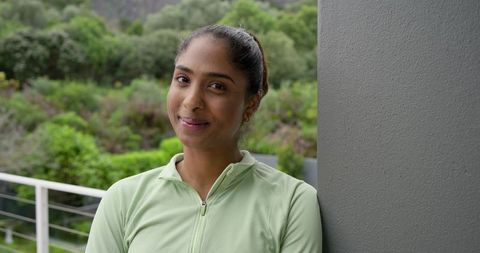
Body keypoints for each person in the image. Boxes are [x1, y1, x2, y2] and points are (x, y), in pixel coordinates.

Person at [86, 24, 322, 253]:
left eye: (217, 86)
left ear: (251, 104)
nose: (191, 100)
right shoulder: (123, 200)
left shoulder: (293, 203)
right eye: (183, 79)